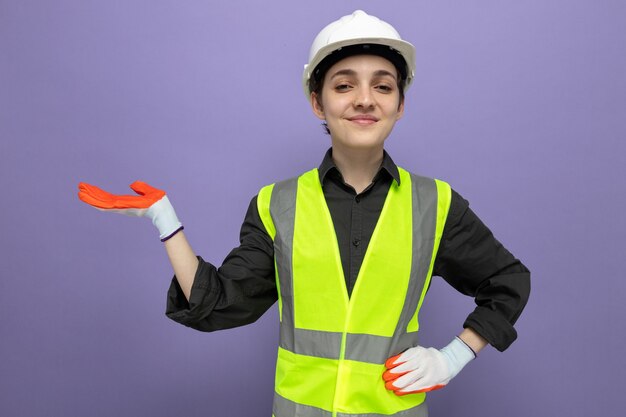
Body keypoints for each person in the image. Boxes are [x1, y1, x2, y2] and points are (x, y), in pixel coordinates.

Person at [78, 10, 530, 417]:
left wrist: (454, 355)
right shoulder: (277, 205)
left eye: (383, 85)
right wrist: (167, 224)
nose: (365, 99)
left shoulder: (437, 204)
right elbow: (219, 304)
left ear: (399, 104)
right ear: (319, 102)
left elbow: (508, 283)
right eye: (344, 84)